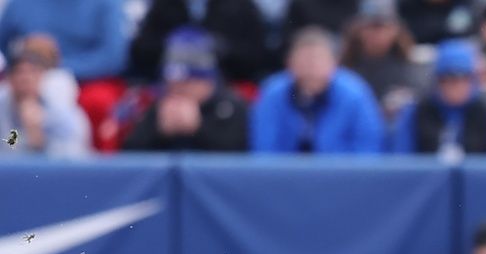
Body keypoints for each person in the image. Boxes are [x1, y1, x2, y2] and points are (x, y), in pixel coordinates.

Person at [251, 26, 385, 154]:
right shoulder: (272, 94)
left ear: (334, 63)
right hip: (284, 175)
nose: (311, 66)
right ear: (289, 63)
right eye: (304, 59)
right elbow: (264, 148)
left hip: (341, 174)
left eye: (318, 59)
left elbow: (368, 148)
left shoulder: (355, 94)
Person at [122, 28, 249, 152]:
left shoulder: (231, 107)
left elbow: (240, 156)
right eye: (172, 82)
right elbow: (129, 154)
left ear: (206, 81)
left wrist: (198, 129)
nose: (177, 88)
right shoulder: (160, 104)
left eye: (186, 83)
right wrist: (157, 132)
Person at [391, 39, 486, 157]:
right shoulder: (416, 113)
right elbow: (402, 161)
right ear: (437, 81)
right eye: (448, 79)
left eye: (463, 78)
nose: (456, 86)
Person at [129, 0, 269, 83]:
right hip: (171, 87)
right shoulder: (165, 4)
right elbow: (141, 50)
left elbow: (256, 56)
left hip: (227, 85)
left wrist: (223, 50)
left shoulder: (240, 5)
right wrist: (176, 46)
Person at [340, 0, 430, 123]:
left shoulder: (409, 65)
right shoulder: (345, 67)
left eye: (383, 27)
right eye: (370, 27)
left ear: (396, 30)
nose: (377, 34)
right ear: (358, 30)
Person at [0, 41, 91, 157]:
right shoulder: (2, 105)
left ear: (41, 76)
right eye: (19, 72)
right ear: (10, 78)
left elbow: (76, 150)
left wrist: (40, 136)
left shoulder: (59, 107)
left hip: (51, 170)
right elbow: (7, 146)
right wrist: (25, 139)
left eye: (32, 72)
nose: (26, 78)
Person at [0, 0, 126, 81]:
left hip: (88, 83)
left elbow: (113, 58)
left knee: (98, 101)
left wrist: (54, 68)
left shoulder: (108, 4)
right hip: (28, 80)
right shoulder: (19, 4)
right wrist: (22, 65)